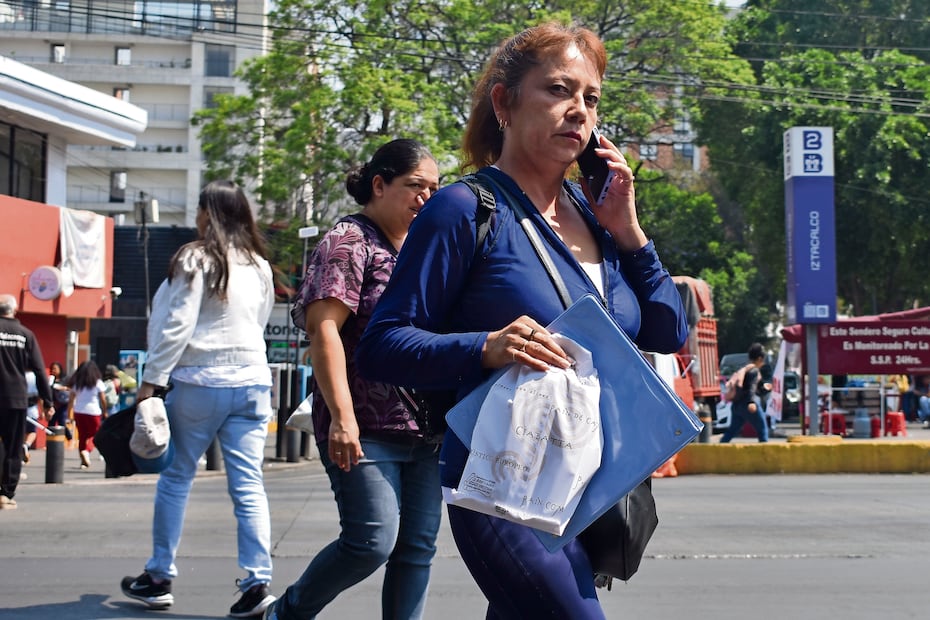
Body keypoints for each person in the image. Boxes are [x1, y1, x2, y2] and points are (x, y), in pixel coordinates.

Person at [356, 24, 688, 619]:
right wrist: (487, 346)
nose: (578, 110)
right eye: (559, 90)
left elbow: (668, 331)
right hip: (503, 478)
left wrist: (630, 232)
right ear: (504, 103)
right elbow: (382, 345)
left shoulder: (598, 214)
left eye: (591, 98)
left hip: (589, 482)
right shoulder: (464, 210)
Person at [264, 139, 441, 620]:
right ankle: (286, 612)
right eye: (416, 186)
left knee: (417, 548)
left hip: (426, 427)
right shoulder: (348, 240)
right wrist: (343, 419)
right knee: (371, 540)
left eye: (434, 188)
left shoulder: (420, 248)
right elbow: (323, 330)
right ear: (379, 185)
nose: (427, 198)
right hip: (364, 424)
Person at [120, 180, 277, 618]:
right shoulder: (260, 265)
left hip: (199, 380)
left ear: (208, 213)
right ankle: (256, 583)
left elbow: (176, 325)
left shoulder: (196, 257)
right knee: (249, 485)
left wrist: (151, 381)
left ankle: (158, 577)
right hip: (253, 381)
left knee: (176, 478)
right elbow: (259, 323)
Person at [0, 294, 53, 510]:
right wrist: (47, 402)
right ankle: (5, 494)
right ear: (14, 310)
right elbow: (40, 370)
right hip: (16, 398)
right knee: (13, 447)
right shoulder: (26, 335)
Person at [720, 343, 770, 444]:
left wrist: (766, 389)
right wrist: (751, 402)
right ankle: (765, 451)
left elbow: (757, 389)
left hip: (736, 405)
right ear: (760, 358)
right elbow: (752, 387)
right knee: (762, 429)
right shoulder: (754, 371)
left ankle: (719, 449)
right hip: (748, 404)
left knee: (732, 430)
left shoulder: (745, 369)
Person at [67, 360, 108, 469]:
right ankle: (87, 451)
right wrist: (105, 411)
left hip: (79, 412)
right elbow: (103, 399)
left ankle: (83, 461)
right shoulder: (98, 382)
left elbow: (71, 400)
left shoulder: (77, 383)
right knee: (96, 435)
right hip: (93, 412)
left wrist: (69, 415)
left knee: (82, 435)